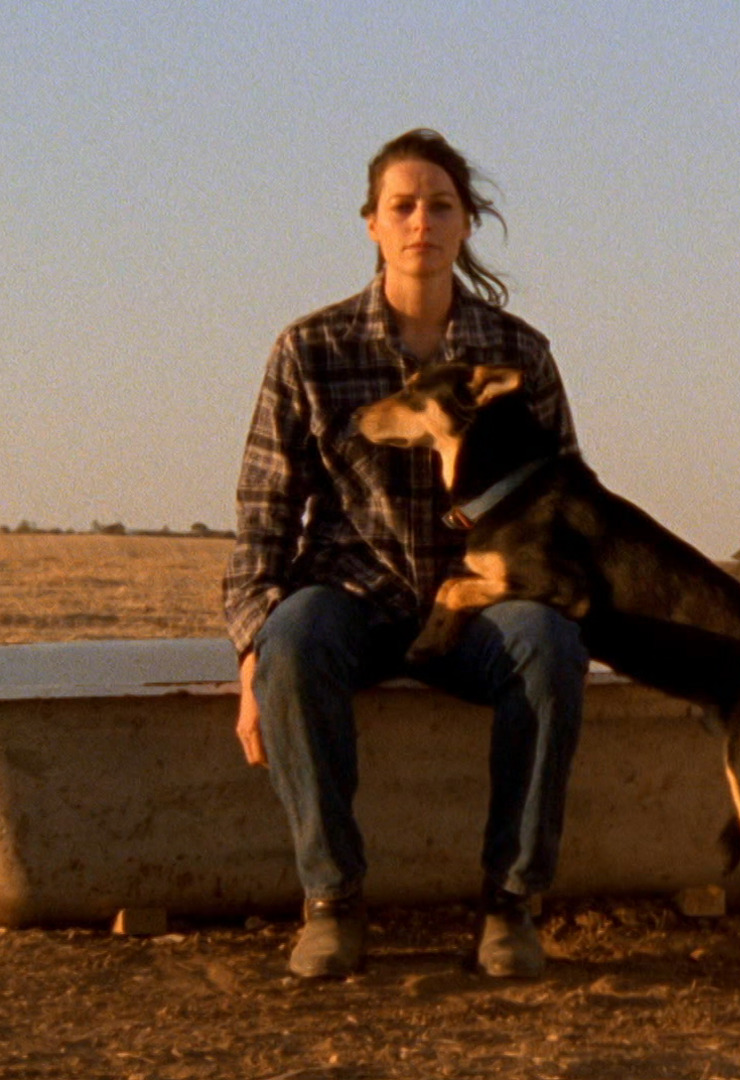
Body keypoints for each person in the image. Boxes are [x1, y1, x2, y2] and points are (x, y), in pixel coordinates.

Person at [223, 129, 587, 981]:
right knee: (292, 640)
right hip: (352, 596)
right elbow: (263, 515)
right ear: (373, 224)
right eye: (404, 206)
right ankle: (331, 902)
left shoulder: (519, 355)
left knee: (550, 644)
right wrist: (252, 647)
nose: (422, 221)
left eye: (441, 206)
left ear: (467, 224)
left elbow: (563, 504)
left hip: (480, 606)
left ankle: (511, 905)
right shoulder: (309, 349)